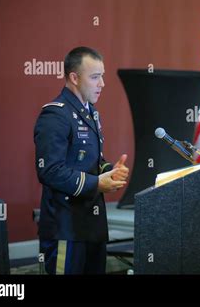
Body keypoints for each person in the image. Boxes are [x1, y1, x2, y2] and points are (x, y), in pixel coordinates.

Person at [34, 46, 129, 274]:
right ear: (74, 78)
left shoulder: (91, 112)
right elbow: (50, 171)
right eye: (95, 77)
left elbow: (91, 160)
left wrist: (109, 170)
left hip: (92, 226)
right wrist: (97, 183)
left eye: (102, 76)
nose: (102, 83)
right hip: (66, 227)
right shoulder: (55, 114)